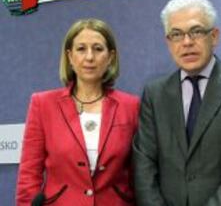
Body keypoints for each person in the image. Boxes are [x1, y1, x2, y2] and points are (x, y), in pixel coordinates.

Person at [133, 0, 221, 206]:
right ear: (168, 42)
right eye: (176, 34)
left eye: (196, 32)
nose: (186, 42)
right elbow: (144, 164)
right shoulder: (154, 94)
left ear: (214, 36)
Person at [16, 18, 140, 206]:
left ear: (110, 57)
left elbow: (138, 174)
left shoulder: (131, 106)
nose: (89, 57)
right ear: (70, 57)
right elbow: (29, 175)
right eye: (81, 49)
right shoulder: (43, 104)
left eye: (98, 49)